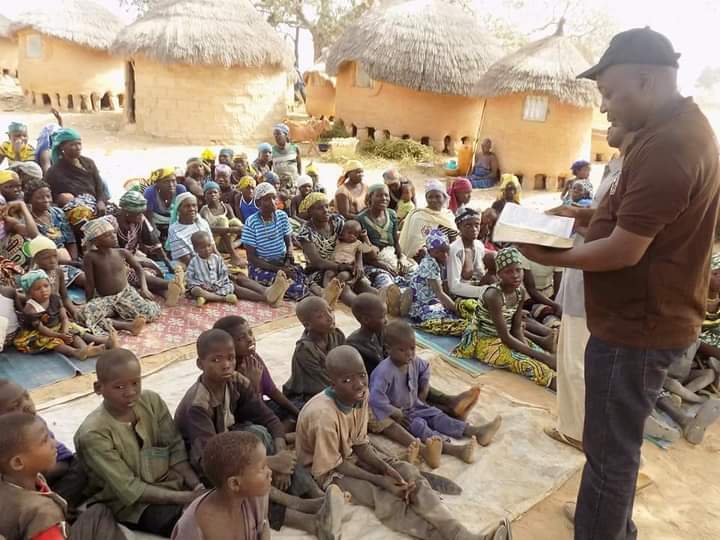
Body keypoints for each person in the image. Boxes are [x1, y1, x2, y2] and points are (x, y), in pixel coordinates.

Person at [518, 28, 720, 540]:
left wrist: (548, 252)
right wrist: (581, 217)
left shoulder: (670, 145)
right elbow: (638, 220)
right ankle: (612, 526)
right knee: (613, 447)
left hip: (638, 327)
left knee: (608, 453)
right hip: (640, 319)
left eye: (610, 93)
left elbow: (626, 249)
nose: (605, 108)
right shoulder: (670, 131)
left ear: (646, 80)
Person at [295, 345, 512, 540]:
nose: (359, 384)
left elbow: (360, 444)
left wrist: (388, 470)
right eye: (347, 380)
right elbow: (334, 464)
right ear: (331, 383)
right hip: (329, 470)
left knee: (408, 474)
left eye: (362, 375)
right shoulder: (323, 416)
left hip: (350, 454)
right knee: (384, 498)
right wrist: (380, 481)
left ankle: (462, 534)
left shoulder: (360, 395)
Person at [174, 329, 329, 536]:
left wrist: (281, 454)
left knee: (259, 434)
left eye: (230, 358)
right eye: (216, 360)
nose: (226, 364)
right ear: (200, 364)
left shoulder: (236, 381)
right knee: (239, 483)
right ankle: (302, 514)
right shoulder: (198, 404)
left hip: (228, 442)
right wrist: (271, 462)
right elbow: (213, 458)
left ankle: (313, 494)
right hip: (204, 460)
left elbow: (269, 418)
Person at [75, 349, 204, 537]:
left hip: (170, 483)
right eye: (119, 387)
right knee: (189, 525)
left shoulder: (151, 401)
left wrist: (196, 485)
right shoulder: (93, 434)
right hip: (130, 505)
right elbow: (130, 489)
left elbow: (175, 448)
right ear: (98, 388)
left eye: (135, 383)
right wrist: (186, 498)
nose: (130, 392)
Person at [369, 321, 501, 468]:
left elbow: (425, 368)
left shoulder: (413, 361)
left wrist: (424, 389)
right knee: (421, 427)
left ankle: (474, 431)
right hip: (403, 414)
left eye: (413, 348)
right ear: (388, 349)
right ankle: (455, 450)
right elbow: (375, 398)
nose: (409, 354)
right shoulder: (383, 372)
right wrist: (395, 412)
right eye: (402, 350)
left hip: (417, 405)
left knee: (437, 415)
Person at [0, 412, 125, 540]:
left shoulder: (12, 481)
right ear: (18, 463)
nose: (54, 443)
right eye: (44, 441)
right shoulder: (42, 513)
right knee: (99, 513)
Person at [455, 247, 557, 389]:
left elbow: (516, 329)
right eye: (509, 271)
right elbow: (505, 338)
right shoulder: (493, 295)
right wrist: (535, 357)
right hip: (486, 341)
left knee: (545, 357)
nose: (515, 275)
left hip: (509, 336)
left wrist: (532, 352)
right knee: (529, 365)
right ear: (499, 275)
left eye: (518, 270)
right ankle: (557, 385)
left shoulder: (520, 292)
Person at [0, 378, 89, 509]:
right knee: (83, 467)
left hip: (50, 470)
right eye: (15, 406)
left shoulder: (34, 420)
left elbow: (58, 452)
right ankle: (59, 508)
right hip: (32, 485)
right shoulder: (8, 441)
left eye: (27, 396)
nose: (27, 405)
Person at [170, 431, 273, 540]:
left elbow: (263, 526)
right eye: (262, 468)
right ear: (235, 483)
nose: (269, 472)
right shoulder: (194, 527)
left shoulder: (256, 498)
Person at [78, 218, 161, 336]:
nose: (113, 236)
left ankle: (115, 314)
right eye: (107, 235)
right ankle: (128, 326)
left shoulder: (122, 253)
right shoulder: (90, 257)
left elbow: (139, 269)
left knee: (149, 313)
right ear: (96, 242)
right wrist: (89, 303)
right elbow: (90, 284)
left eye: (113, 233)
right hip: (105, 298)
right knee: (86, 315)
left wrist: (144, 287)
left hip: (125, 294)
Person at [213, 315, 301, 425]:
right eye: (241, 338)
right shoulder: (227, 372)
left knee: (301, 406)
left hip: (262, 407)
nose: (250, 339)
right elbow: (251, 412)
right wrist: (253, 384)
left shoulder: (253, 358)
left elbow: (272, 391)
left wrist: (299, 414)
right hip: (244, 419)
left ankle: (286, 430)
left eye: (250, 333)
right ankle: (282, 435)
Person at [297, 192, 374, 307]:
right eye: (319, 208)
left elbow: (356, 243)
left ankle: (384, 301)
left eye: (326, 206)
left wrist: (359, 264)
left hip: (346, 264)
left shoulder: (337, 221)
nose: (326, 210)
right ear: (309, 212)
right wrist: (342, 267)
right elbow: (317, 262)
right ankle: (364, 308)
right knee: (343, 286)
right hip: (321, 271)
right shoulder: (306, 232)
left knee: (361, 283)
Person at [14, 269, 111, 359]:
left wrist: (65, 332)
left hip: (57, 326)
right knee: (55, 342)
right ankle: (75, 352)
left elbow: (64, 317)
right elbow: (42, 330)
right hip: (38, 333)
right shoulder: (30, 310)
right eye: (37, 289)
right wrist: (60, 336)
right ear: (29, 293)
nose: (43, 290)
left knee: (73, 331)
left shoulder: (55, 298)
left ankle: (88, 348)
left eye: (46, 286)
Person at [242, 183, 309, 301]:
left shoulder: (282, 216)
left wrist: (289, 256)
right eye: (267, 199)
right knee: (289, 284)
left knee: (300, 273)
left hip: (281, 262)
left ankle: (287, 290)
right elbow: (251, 258)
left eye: (274, 197)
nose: (273, 202)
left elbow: (289, 242)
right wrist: (278, 269)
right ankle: (294, 293)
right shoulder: (251, 222)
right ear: (258, 203)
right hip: (262, 266)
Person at [186, 231, 286, 307]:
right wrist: (201, 285)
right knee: (196, 290)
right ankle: (223, 299)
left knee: (234, 284)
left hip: (219, 286)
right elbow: (190, 279)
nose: (207, 249)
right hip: (204, 289)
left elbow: (223, 273)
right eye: (203, 248)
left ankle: (268, 296)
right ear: (195, 249)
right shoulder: (194, 262)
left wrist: (219, 283)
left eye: (209, 246)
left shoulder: (216, 258)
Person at [282, 296, 345, 406]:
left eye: (330, 311)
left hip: (334, 384)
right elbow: (319, 381)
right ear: (307, 325)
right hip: (307, 392)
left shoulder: (337, 335)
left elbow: (347, 362)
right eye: (320, 316)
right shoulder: (305, 349)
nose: (330, 317)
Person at [406, 229, 467, 334]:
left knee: (458, 307)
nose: (443, 254)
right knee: (443, 318)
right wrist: (457, 310)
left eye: (445, 250)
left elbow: (445, 286)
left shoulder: (440, 261)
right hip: (421, 304)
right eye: (438, 252)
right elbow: (440, 294)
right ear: (430, 252)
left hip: (433, 300)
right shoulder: (429, 264)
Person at [45, 128, 108, 227]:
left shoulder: (88, 163)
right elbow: (48, 193)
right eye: (73, 145)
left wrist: (100, 201)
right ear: (62, 147)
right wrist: (60, 198)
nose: (78, 147)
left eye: (79, 144)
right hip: (76, 211)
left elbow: (99, 185)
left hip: (96, 203)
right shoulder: (54, 171)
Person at [356, 184, 410, 299]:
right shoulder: (360, 219)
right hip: (373, 262)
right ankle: (394, 300)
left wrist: (401, 257)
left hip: (392, 256)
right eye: (379, 195)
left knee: (413, 273)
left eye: (386, 195)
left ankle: (409, 297)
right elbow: (360, 250)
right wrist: (382, 265)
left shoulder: (392, 214)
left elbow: (396, 241)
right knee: (385, 280)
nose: (384, 198)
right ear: (370, 197)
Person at [27, 235, 83, 319]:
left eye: (55, 256)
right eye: (46, 258)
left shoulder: (58, 271)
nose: (52, 261)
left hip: (59, 310)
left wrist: (74, 312)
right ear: (36, 259)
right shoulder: (33, 277)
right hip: (44, 316)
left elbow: (65, 297)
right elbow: (31, 303)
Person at [399, 180, 457, 259]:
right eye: (430, 197)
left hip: (445, 256)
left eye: (437, 196)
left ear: (444, 198)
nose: (433, 200)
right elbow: (413, 243)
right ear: (426, 199)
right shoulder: (418, 216)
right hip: (421, 259)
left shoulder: (448, 216)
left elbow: (453, 240)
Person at [447, 208, 495, 299]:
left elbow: (481, 275)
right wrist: (484, 291)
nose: (474, 229)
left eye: (477, 225)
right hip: (460, 296)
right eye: (468, 225)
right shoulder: (455, 250)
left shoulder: (479, 246)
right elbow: (453, 287)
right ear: (459, 226)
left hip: (479, 290)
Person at [25, 180, 78, 262]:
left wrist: (74, 260)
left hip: (66, 258)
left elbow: (70, 240)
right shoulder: (29, 220)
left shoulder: (58, 213)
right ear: (29, 200)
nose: (46, 200)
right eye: (39, 198)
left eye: (48, 196)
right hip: (44, 261)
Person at [115, 190, 171, 266]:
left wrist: (168, 263)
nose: (140, 216)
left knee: (154, 268)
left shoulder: (141, 219)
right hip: (114, 261)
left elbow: (154, 243)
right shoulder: (111, 222)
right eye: (137, 214)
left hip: (132, 256)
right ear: (126, 212)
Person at [198, 180, 244, 267]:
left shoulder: (226, 206)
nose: (213, 195)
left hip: (227, 241)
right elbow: (207, 229)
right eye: (209, 193)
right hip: (214, 243)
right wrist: (229, 230)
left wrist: (242, 229)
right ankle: (233, 255)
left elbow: (236, 224)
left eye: (215, 192)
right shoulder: (204, 210)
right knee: (222, 220)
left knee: (235, 222)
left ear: (219, 194)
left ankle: (240, 244)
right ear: (205, 197)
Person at [166, 192, 214, 266]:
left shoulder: (202, 223)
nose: (192, 209)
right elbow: (187, 260)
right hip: (189, 264)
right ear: (178, 209)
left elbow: (213, 247)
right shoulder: (174, 230)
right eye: (187, 206)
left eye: (194, 206)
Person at [144, 167, 188, 241]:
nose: (171, 184)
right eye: (166, 181)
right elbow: (148, 216)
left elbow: (185, 212)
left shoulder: (180, 189)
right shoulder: (150, 192)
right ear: (157, 184)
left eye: (173, 181)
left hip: (175, 222)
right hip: (157, 224)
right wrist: (153, 232)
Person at [271, 124, 301, 195]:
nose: (276, 136)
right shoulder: (271, 150)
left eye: (278, 134)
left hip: (294, 184)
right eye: (274, 134)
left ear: (285, 135)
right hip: (279, 186)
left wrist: (298, 179)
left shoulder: (295, 148)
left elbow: (299, 164)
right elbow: (269, 168)